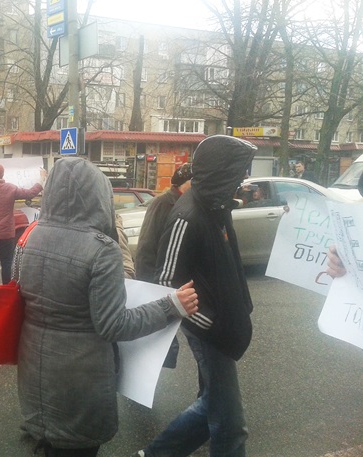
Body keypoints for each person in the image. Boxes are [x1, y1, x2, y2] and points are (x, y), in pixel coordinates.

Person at [17, 157, 199, 457]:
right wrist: (170, 307)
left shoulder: (34, 236)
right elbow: (114, 324)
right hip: (81, 376)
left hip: (35, 364)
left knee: (50, 442)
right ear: (99, 196)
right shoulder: (102, 249)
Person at [133, 135, 257, 457]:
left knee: (211, 407)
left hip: (224, 326)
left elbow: (229, 265)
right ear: (220, 171)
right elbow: (166, 282)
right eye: (239, 171)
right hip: (210, 332)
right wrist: (212, 323)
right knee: (230, 426)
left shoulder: (217, 207)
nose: (244, 178)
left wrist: (242, 306)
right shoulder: (186, 217)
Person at [0, 163, 47, 304]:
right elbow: (30, 193)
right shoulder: (11, 188)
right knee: (6, 264)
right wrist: (41, 180)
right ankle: (6, 295)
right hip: (6, 233)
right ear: (3, 174)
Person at [135, 163, 193, 283]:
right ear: (186, 183)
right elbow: (147, 245)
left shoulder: (193, 204)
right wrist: (146, 282)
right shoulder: (162, 203)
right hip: (160, 280)